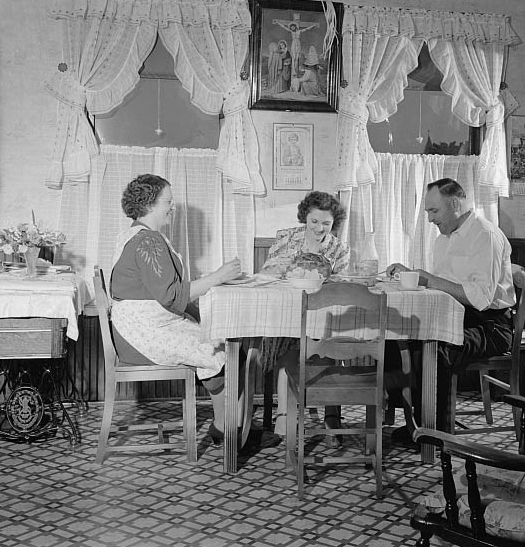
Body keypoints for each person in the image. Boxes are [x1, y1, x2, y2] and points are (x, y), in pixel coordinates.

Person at [109, 173, 279, 449]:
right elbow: (171, 294)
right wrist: (218, 276)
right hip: (141, 336)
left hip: (144, 327)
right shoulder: (148, 241)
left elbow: (164, 292)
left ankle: (228, 426)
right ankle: (231, 432)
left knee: (224, 346)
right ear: (150, 203)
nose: (172, 207)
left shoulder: (137, 235)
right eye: (168, 201)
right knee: (222, 351)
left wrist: (204, 310)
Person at [385, 177, 515, 444]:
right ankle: (415, 423)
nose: (431, 219)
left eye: (434, 211)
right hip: (456, 317)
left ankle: (437, 433)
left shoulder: (485, 235)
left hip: (490, 326)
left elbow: (480, 297)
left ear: (455, 203)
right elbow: (444, 288)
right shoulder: (444, 239)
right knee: (394, 340)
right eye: (428, 212)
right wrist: (411, 276)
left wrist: (427, 278)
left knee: (436, 349)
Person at [260, 191, 351, 445]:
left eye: (326, 223)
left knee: (332, 347)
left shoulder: (339, 248)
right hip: (287, 315)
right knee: (291, 348)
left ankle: (332, 417)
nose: (319, 228)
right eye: (314, 221)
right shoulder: (287, 238)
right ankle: (284, 417)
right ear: (305, 218)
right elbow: (267, 275)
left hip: (323, 317)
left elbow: (340, 285)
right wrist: (292, 267)